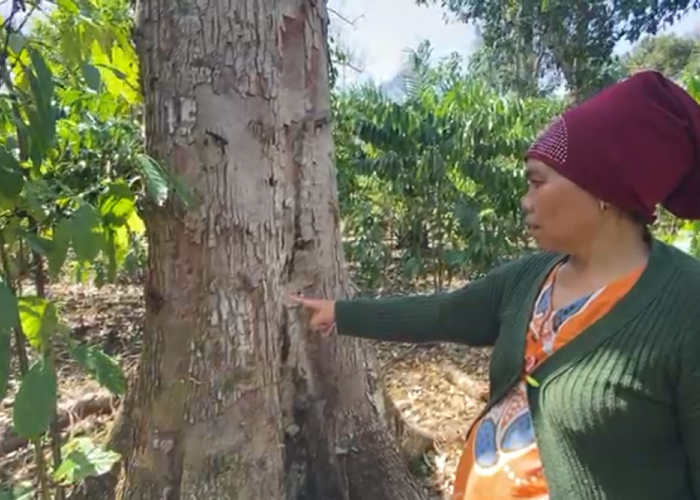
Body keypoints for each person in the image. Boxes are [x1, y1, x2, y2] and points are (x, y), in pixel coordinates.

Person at [291, 70, 700, 500]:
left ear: (604, 189)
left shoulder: (685, 306)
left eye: (538, 182)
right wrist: (340, 313)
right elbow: (446, 313)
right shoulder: (532, 277)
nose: (525, 200)